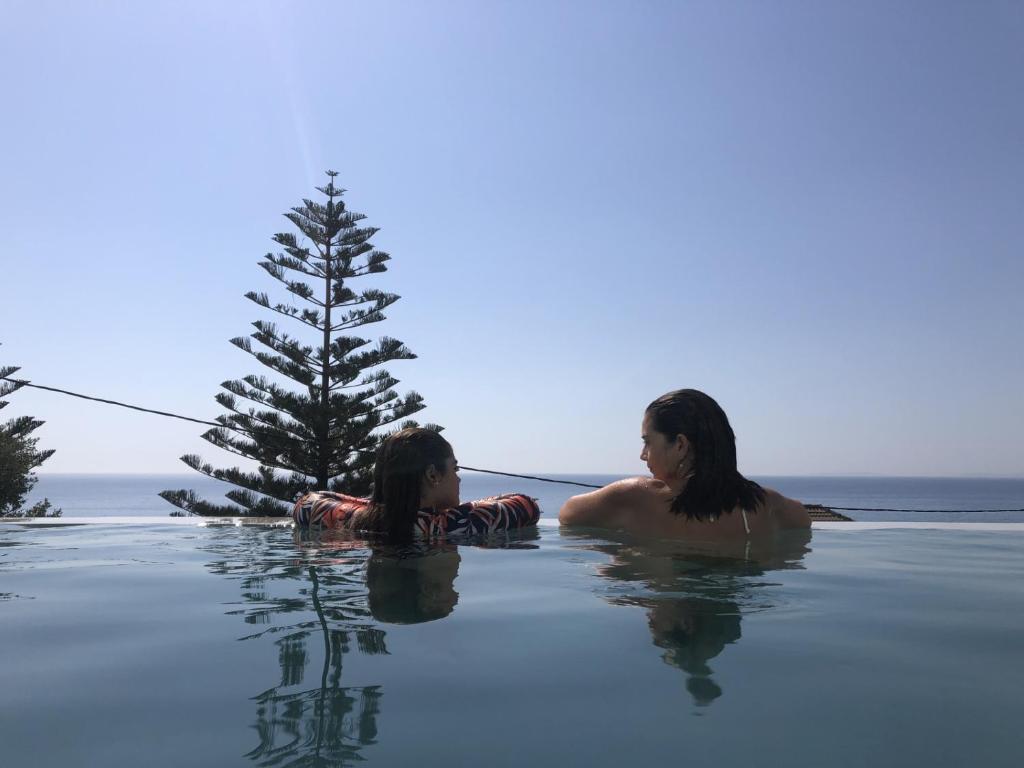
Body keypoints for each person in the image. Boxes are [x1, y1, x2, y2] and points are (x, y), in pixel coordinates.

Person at [559, 389, 810, 539]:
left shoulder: (637, 498)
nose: (643, 455)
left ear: (680, 445)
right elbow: (803, 520)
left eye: (647, 442)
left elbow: (568, 514)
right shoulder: (766, 505)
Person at [293, 427, 541, 540]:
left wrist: (378, 503)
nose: (458, 477)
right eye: (454, 468)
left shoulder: (355, 521)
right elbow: (526, 505)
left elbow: (307, 502)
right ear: (433, 475)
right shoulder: (452, 525)